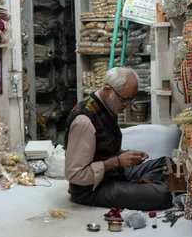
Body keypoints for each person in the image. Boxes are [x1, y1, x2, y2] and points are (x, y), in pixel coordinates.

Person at [64, 67, 172, 211]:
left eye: (131, 100)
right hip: (92, 189)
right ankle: (140, 189)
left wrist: (125, 155)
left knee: (165, 163)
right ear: (108, 90)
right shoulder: (84, 121)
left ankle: (138, 188)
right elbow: (75, 175)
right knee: (163, 195)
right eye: (124, 100)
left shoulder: (108, 106)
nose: (128, 106)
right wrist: (118, 161)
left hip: (112, 174)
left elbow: (103, 149)